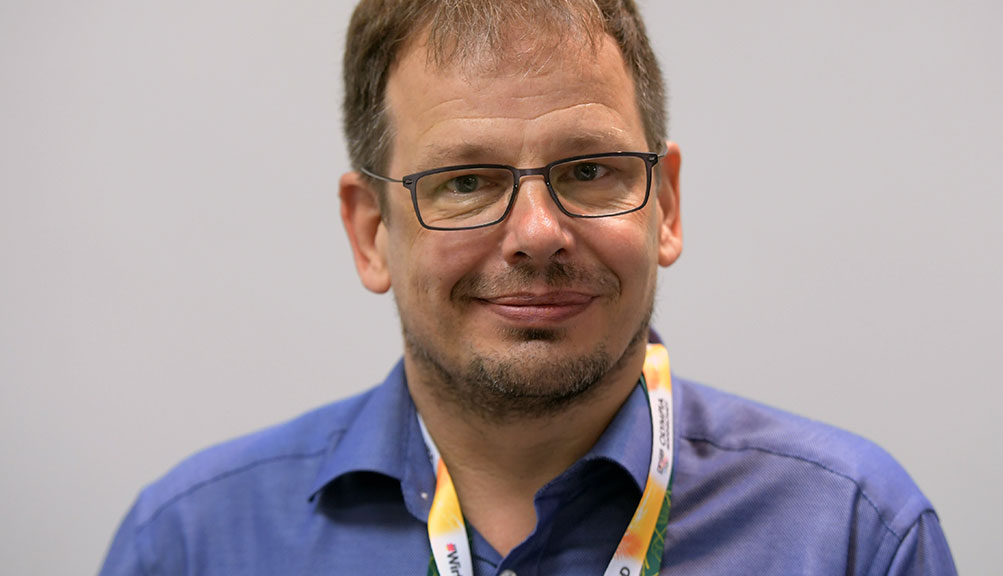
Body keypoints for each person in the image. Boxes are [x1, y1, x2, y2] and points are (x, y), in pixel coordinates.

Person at [99, 1, 957, 574]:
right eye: (466, 182)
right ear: (371, 233)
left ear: (665, 205)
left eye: (589, 170)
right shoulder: (192, 544)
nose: (538, 233)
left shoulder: (853, 535)